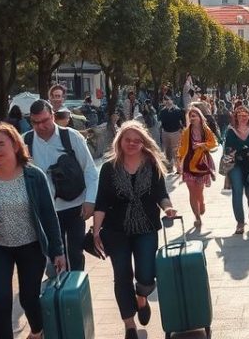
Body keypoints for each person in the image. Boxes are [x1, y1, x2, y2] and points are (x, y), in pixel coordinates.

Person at [0, 123, 66, 339]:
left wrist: (57, 250)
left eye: (1, 143)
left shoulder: (34, 176)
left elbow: (49, 216)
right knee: (1, 299)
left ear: (15, 145)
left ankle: (37, 330)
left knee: (29, 298)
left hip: (31, 246)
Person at [92, 122, 178, 339]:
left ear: (144, 143)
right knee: (121, 276)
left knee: (147, 275)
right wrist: (95, 231)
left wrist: (168, 208)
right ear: (119, 141)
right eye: (127, 139)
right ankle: (129, 324)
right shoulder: (109, 167)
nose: (132, 144)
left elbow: (161, 194)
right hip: (115, 230)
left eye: (137, 140)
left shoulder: (152, 164)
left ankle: (141, 297)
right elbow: (101, 201)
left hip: (147, 227)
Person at [24, 99, 100, 272]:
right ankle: (59, 292)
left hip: (75, 206)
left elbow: (89, 170)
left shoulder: (71, 136)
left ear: (53, 116)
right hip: (45, 210)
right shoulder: (26, 141)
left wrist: (90, 201)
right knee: (53, 256)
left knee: (74, 253)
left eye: (45, 120)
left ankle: (75, 291)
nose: (41, 126)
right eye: (36, 122)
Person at [177, 105, 218, 230]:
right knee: (192, 191)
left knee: (199, 192)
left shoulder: (206, 131)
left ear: (200, 118)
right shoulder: (186, 132)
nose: (192, 118)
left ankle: (202, 203)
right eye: (190, 116)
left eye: (194, 116)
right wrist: (179, 160)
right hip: (189, 165)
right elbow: (182, 147)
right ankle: (197, 217)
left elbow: (214, 144)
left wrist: (202, 145)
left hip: (202, 164)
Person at [223, 104, 249, 234]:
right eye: (240, 116)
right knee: (237, 192)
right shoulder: (230, 131)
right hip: (236, 165)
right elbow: (227, 149)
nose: (243, 118)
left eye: (245, 115)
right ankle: (240, 222)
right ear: (236, 117)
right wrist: (235, 152)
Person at [157, 95, 186, 172]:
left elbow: (183, 121)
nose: (167, 101)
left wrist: (182, 130)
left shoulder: (178, 110)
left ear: (172, 100)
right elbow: (159, 121)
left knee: (176, 151)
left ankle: (179, 168)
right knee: (167, 151)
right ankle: (169, 167)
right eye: (165, 100)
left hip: (175, 133)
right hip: (165, 133)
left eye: (168, 99)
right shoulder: (162, 111)